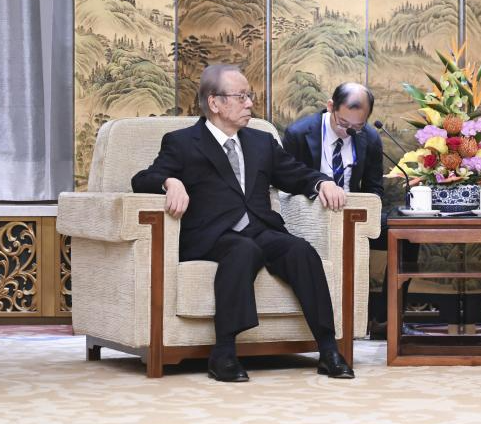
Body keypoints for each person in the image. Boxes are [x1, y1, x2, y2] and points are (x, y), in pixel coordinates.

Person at [131, 64, 355, 382]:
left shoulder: (261, 142)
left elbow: (294, 173)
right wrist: (170, 181)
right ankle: (223, 353)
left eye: (249, 96)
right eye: (241, 96)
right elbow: (142, 179)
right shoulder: (182, 143)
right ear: (215, 102)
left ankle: (329, 349)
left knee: (300, 250)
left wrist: (322, 183)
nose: (250, 103)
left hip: (261, 228)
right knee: (242, 250)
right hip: (212, 236)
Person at [282, 82, 417, 339]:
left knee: (406, 235)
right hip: (313, 216)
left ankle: (389, 320)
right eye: (343, 124)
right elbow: (286, 182)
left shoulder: (369, 138)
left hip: (353, 216)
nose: (348, 133)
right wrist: (319, 187)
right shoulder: (299, 134)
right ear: (330, 106)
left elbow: (375, 189)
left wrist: (365, 212)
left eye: (357, 126)